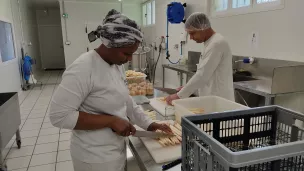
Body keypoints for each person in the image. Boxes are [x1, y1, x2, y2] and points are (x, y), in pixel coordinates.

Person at [49, 9, 171, 171]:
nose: (129, 59)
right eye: (126, 53)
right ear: (110, 44)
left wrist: (149, 124)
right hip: (93, 157)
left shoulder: (115, 65)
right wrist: (111, 121)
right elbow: (59, 116)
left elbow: (126, 100)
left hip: (115, 149)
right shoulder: (83, 68)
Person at [166, 12, 234, 105]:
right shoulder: (209, 43)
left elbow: (202, 76)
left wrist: (179, 95)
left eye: (192, 33)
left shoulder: (216, 43)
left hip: (220, 101)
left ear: (203, 28)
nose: (191, 38)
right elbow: (205, 76)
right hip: (211, 99)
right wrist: (187, 89)